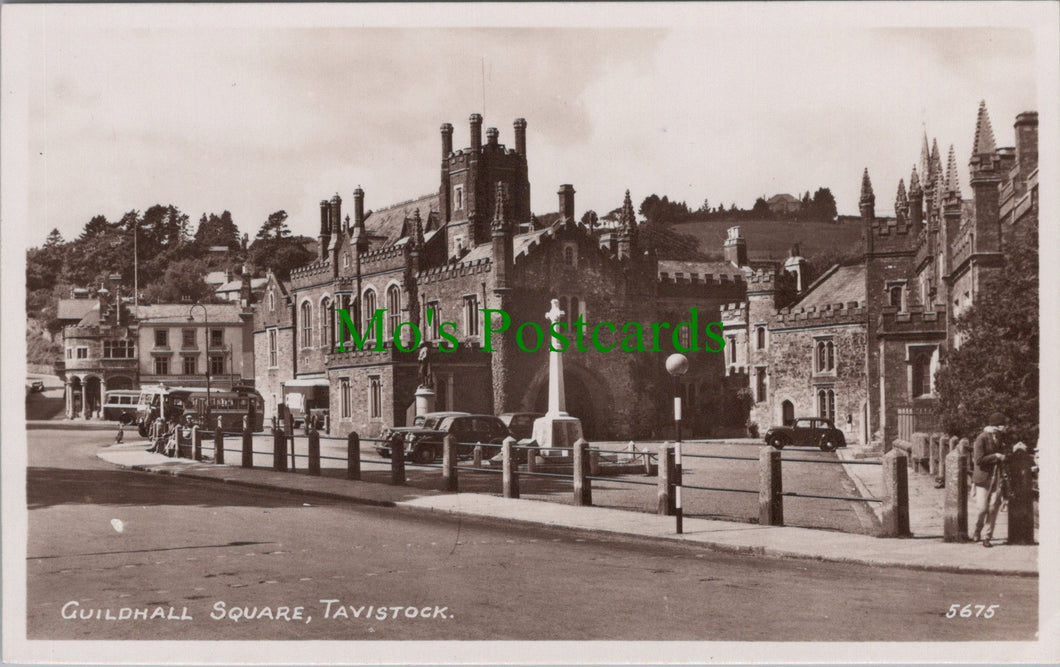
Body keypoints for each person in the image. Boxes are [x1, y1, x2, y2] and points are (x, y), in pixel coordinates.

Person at [972, 411, 1012, 547]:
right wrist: (996, 456)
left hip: (997, 478)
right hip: (983, 479)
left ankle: (987, 537)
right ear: (997, 426)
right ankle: (977, 530)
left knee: (993, 508)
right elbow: (978, 460)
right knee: (982, 509)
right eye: (1004, 425)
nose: (1006, 427)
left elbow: (1005, 455)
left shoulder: (1001, 438)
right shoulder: (981, 438)